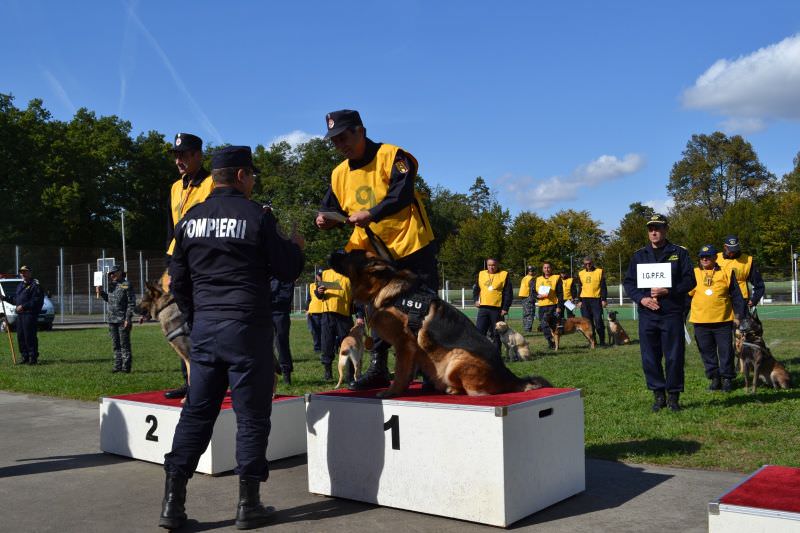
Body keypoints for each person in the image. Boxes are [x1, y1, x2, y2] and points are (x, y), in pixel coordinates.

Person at [159, 146, 304, 530]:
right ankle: (248, 504)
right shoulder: (257, 217)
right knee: (252, 418)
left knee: (196, 415)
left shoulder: (189, 220)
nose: (254, 182)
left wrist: (198, 321)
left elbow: (179, 282)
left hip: (206, 330)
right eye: (252, 175)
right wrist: (296, 248)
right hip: (248, 329)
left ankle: (173, 505)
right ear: (240, 176)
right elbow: (287, 269)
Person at [315, 109, 438, 391]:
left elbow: (402, 193)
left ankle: (431, 371)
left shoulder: (393, 155)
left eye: (344, 137)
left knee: (423, 309)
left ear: (361, 130)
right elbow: (330, 207)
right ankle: (379, 368)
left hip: (410, 244)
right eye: (334, 141)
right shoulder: (339, 173)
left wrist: (371, 213)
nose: (340, 145)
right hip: (372, 255)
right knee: (377, 312)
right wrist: (323, 220)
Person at [623, 214, 695, 412]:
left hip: (671, 313)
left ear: (665, 230)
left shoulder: (679, 253)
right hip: (648, 315)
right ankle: (658, 395)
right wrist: (641, 298)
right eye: (651, 229)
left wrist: (668, 291)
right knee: (650, 357)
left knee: (673, 356)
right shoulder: (639, 255)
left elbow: (690, 281)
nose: (654, 232)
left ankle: (673, 396)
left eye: (658, 228)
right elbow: (629, 283)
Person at [163, 132, 214, 400]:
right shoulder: (175, 187)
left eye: (184, 155)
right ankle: (189, 379)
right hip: (178, 260)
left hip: (200, 261)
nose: (179, 160)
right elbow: (171, 228)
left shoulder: (211, 183)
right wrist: (169, 264)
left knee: (200, 322)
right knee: (182, 323)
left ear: (198, 155)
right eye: (176, 156)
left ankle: (205, 383)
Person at [688, 245, 746, 393]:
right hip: (700, 321)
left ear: (715, 257)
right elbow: (685, 297)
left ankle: (727, 378)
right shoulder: (693, 274)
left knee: (726, 351)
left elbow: (737, 297)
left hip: (723, 321)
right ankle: (714, 378)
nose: (705, 259)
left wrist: (739, 316)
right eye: (702, 257)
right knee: (707, 352)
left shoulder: (726, 272)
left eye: (708, 256)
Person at [315, 267, 360, 381]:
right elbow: (318, 294)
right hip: (327, 314)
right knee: (326, 344)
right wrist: (319, 291)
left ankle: (350, 374)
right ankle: (328, 372)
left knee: (348, 345)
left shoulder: (350, 274)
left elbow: (357, 297)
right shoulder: (324, 273)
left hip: (344, 316)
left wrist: (360, 315)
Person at [0, 265, 44, 364]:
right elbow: (17, 300)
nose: (23, 274)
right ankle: (25, 357)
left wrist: (23, 306)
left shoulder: (35, 285)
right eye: (21, 272)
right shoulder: (20, 285)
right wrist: (5, 298)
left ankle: (32, 357)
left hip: (29, 315)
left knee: (30, 336)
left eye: (25, 272)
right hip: (20, 315)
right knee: (21, 336)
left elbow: (36, 301)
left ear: (30, 273)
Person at [96, 265, 136, 373]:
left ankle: (126, 367)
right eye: (110, 274)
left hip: (122, 319)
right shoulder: (111, 286)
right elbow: (109, 299)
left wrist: (128, 318)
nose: (111, 275)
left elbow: (131, 303)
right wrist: (101, 292)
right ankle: (117, 366)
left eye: (113, 273)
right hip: (112, 319)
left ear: (119, 272)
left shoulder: (126, 285)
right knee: (115, 344)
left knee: (124, 344)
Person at [474, 258, 513, 352]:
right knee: (479, 331)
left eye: (493, 265)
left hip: (497, 309)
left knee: (496, 333)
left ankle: (496, 353)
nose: (491, 267)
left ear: (497, 265)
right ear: (487, 265)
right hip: (483, 308)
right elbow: (476, 289)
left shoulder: (503, 275)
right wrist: (476, 300)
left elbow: (508, 293)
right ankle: (480, 353)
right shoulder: (481, 274)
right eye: (489, 265)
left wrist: (505, 308)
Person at [716, 235, 766, 308]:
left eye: (735, 250)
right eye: (730, 250)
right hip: (720, 299)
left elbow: (758, 283)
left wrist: (754, 299)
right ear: (725, 247)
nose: (732, 253)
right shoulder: (716, 258)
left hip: (741, 300)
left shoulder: (748, 260)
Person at [574, 256, 608, 346]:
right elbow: (580, 288)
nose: (588, 265)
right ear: (584, 264)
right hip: (584, 301)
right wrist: (579, 300)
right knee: (587, 323)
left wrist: (604, 299)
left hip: (596, 300)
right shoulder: (581, 273)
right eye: (586, 264)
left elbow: (603, 287)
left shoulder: (599, 271)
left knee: (598, 322)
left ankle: (602, 341)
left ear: (592, 263)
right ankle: (593, 342)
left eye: (589, 263)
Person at [533, 262, 564, 350]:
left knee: (554, 326)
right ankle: (550, 341)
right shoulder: (538, 279)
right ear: (542, 269)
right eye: (545, 268)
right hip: (542, 306)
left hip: (553, 305)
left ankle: (555, 343)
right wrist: (537, 296)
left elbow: (560, 293)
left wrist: (559, 306)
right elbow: (533, 292)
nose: (547, 269)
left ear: (551, 268)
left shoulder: (556, 278)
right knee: (543, 325)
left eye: (548, 267)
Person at [270, 277, 294, 385]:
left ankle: (286, 373)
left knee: (281, 343)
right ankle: (268, 372)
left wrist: (269, 296)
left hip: (280, 313)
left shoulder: (286, 276)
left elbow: (286, 297)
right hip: (264, 311)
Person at [306, 269, 324, 355]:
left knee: (324, 331)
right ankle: (317, 348)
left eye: (321, 275)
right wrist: (307, 310)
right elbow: (309, 299)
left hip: (324, 311)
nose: (320, 277)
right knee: (315, 331)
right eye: (319, 275)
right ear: (316, 276)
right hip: (314, 312)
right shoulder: (312, 285)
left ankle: (326, 347)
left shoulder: (328, 285)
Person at [519, 265, 536, 332]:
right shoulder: (532, 278)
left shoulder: (524, 278)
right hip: (529, 296)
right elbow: (533, 289)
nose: (531, 272)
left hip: (523, 297)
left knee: (526, 313)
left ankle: (526, 327)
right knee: (530, 313)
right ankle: (528, 328)